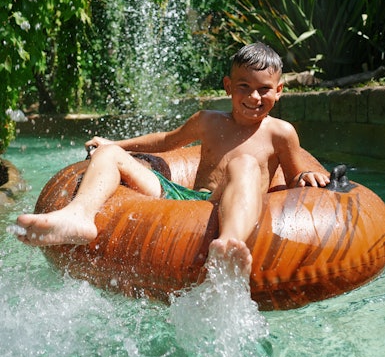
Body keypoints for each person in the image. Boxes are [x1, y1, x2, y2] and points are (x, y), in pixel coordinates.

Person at [13, 43, 330, 281]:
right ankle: (79, 217)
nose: (254, 97)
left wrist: (307, 175)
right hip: (187, 201)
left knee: (245, 164)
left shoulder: (281, 133)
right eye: (244, 87)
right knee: (109, 157)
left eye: (264, 90)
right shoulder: (208, 121)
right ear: (228, 87)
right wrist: (115, 144)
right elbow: (166, 142)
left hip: (231, 205)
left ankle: (229, 243)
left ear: (279, 91)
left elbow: (292, 182)